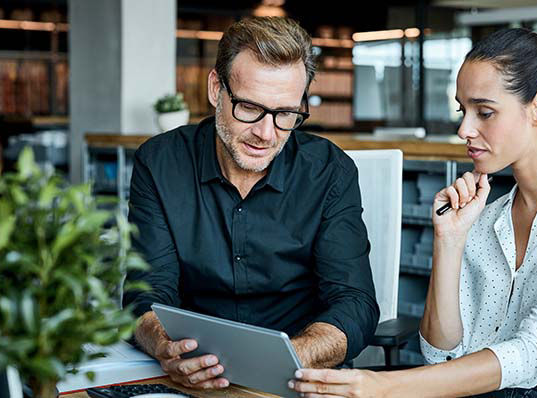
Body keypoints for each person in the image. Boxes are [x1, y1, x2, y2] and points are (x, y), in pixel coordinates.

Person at [289, 28, 537, 398]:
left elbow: (532, 353)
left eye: (484, 112)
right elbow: (439, 354)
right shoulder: (487, 218)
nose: (464, 129)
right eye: (463, 110)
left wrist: (383, 385)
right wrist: (450, 240)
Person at [123, 16, 379, 390]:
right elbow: (146, 293)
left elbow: (354, 303)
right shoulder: (160, 163)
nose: (265, 133)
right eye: (248, 108)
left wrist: (289, 357)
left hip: (298, 377)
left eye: (286, 114)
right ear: (216, 89)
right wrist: (166, 346)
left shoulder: (330, 172)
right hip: (191, 376)